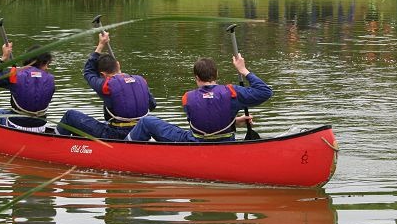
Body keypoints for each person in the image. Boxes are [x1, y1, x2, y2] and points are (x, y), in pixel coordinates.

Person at [127, 55, 272, 143]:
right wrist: (243, 70)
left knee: (147, 121)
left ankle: (123, 150)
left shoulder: (187, 98)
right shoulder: (232, 92)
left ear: (196, 77)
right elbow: (265, 91)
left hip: (195, 142)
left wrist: (233, 121)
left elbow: (204, 122)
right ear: (216, 73)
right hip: (225, 142)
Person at [57, 32, 156, 140]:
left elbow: (88, 72)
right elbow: (152, 105)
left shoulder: (107, 85)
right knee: (104, 122)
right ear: (118, 65)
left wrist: (101, 44)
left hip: (116, 134)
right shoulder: (140, 80)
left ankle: (54, 144)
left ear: (103, 75)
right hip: (140, 132)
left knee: (70, 115)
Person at [0, 42, 55, 133]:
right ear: (42, 62)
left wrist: (3, 58)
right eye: (46, 64)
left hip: (16, 125)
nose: (47, 68)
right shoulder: (50, 79)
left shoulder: (15, 74)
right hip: (40, 127)